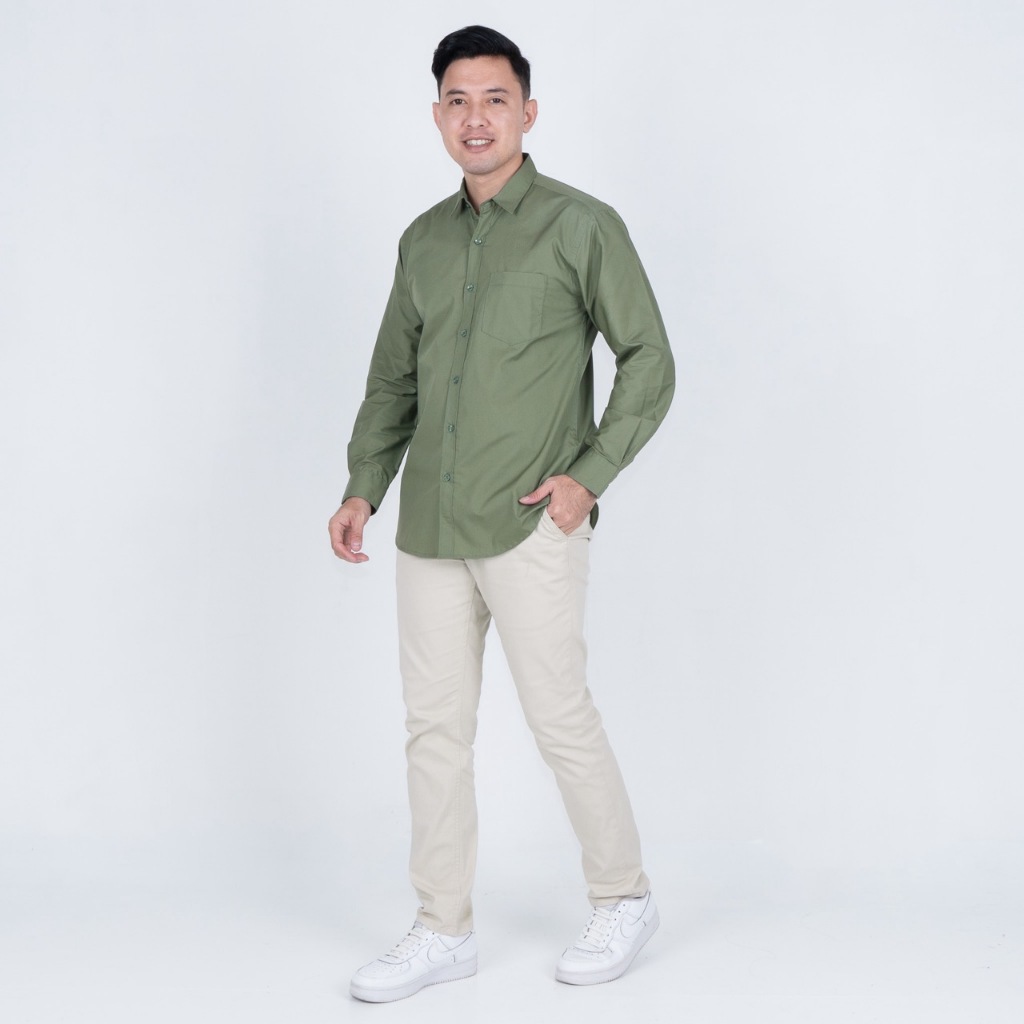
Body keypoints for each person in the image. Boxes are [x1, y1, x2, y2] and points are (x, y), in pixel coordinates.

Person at [329, 25, 675, 1003]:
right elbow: (392, 381)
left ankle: (624, 895)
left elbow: (649, 358)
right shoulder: (423, 241)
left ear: (527, 111)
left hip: (531, 524)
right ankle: (443, 926)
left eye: (493, 98)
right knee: (433, 730)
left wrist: (587, 477)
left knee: (559, 715)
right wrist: (363, 486)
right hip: (430, 527)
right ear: (437, 115)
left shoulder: (581, 225)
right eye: (457, 100)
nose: (474, 117)